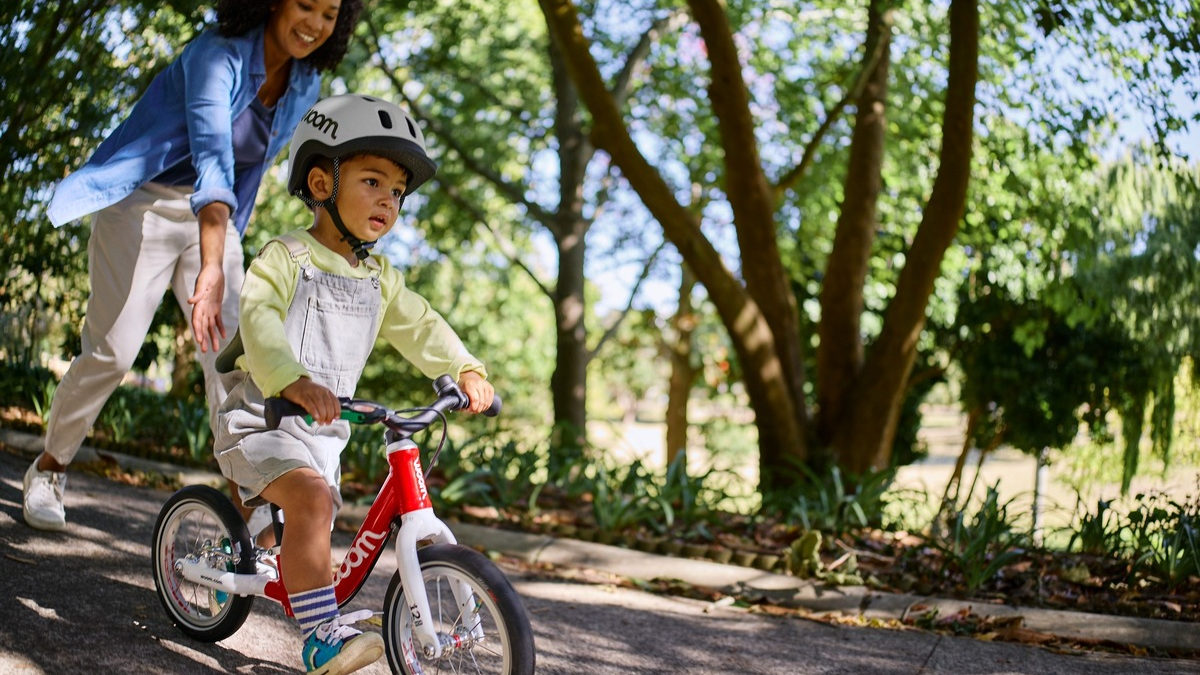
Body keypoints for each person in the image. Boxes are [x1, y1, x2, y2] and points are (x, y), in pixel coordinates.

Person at [23, 0, 364, 532]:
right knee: (112, 352)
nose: (315, 25)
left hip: (216, 221)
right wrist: (212, 265)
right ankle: (49, 467)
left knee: (231, 361)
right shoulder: (215, 55)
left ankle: (250, 503)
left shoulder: (302, 84)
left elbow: (266, 171)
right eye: (305, 6)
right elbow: (214, 159)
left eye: (328, 14)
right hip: (144, 205)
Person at [212, 93, 494, 675]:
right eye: (372, 181)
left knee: (305, 516)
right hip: (259, 417)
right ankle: (319, 638)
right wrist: (291, 379)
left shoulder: (378, 278)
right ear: (321, 183)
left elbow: (420, 323)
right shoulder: (286, 256)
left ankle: (255, 531)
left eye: (397, 192)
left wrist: (464, 368)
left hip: (321, 434)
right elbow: (259, 317)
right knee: (312, 502)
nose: (388, 201)